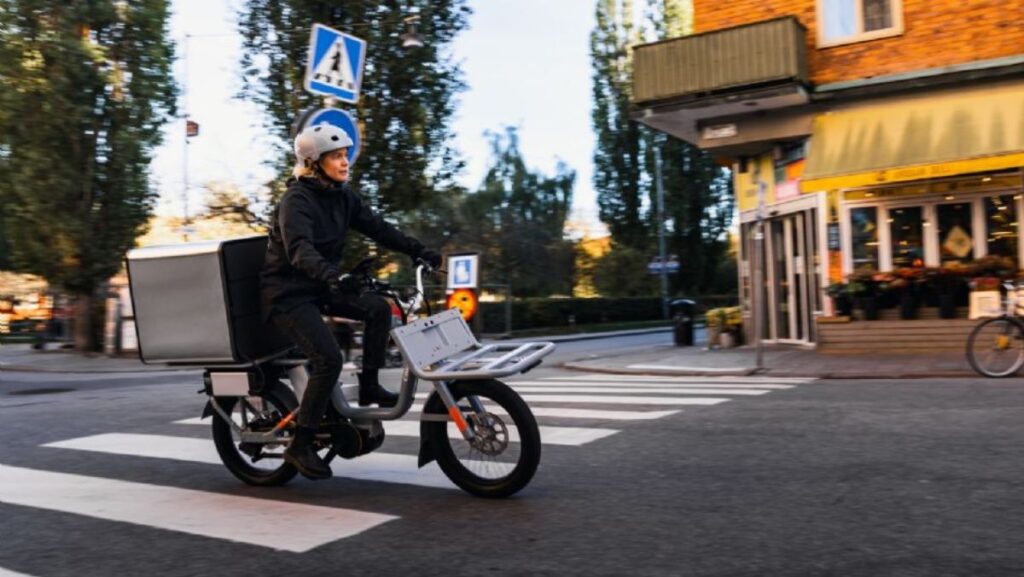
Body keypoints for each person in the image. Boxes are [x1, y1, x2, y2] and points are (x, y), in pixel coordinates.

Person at [260, 123, 442, 480]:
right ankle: (302, 442)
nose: (345, 163)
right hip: (287, 294)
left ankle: (370, 384)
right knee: (326, 358)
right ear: (314, 162)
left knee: (378, 307)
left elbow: (379, 227)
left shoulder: (343, 196)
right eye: (337, 156)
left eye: (346, 155)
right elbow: (299, 252)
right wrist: (335, 276)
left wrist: (418, 251)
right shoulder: (295, 201)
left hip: (320, 287)